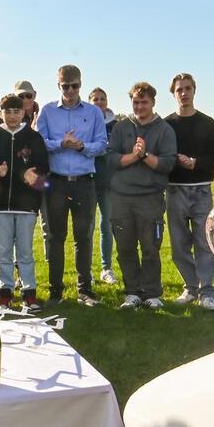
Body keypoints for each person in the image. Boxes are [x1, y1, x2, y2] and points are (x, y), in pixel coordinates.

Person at [34, 64, 108, 305]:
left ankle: (85, 289)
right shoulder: (47, 111)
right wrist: (61, 144)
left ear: (80, 84)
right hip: (55, 182)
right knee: (55, 237)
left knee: (84, 236)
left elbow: (102, 144)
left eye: (75, 86)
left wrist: (82, 147)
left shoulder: (94, 112)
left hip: (84, 182)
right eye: (65, 86)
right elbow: (39, 142)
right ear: (58, 85)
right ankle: (56, 291)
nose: (70, 90)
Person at [106, 82, 176, 308]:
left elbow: (167, 164)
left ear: (153, 102)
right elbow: (111, 159)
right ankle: (132, 292)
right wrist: (134, 157)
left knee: (150, 248)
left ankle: (153, 293)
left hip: (150, 198)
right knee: (125, 248)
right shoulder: (121, 127)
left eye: (144, 102)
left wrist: (144, 154)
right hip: (121, 198)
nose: (139, 106)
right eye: (136, 102)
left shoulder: (164, 129)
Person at [0, 93, 49, 307]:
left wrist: (34, 175)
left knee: (25, 251)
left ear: (23, 112)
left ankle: (29, 291)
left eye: (16, 111)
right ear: (0, 113)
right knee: (2, 251)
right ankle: (5, 291)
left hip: (26, 206)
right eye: (8, 112)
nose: (12, 116)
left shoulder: (33, 137)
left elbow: (44, 167)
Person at [164, 72, 214, 310]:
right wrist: (176, 162)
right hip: (175, 190)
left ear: (194, 91)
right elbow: (163, 157)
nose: (184, 93)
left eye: (188, 88)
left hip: (201, 190)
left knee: (204, 242)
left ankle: (207, 291)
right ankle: (190, 287)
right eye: (179, 89)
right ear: (174, 93)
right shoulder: (167, 124)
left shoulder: (207, 122)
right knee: (179, 244)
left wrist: (195, 163)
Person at [88, 86, 118, 284]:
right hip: (88, 180)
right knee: (87, 227)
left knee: (107, 224)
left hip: (108, 181)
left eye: (102, 99)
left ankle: (106, 268)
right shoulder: (85, 122)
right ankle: (86, 269)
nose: (99, 102)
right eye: (95, 99)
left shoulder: (116, 125)